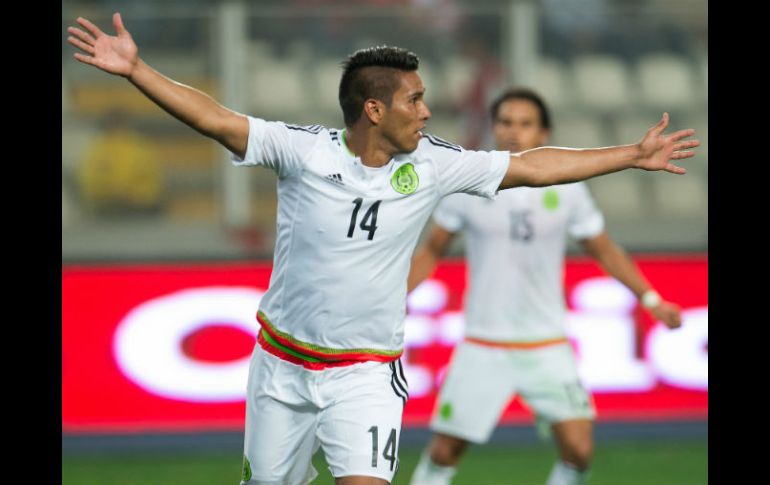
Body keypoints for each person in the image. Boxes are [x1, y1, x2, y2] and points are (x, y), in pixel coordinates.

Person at [67, 14, 698, 485]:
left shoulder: (436, 165)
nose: (427, 110)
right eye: (414, 99)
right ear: (374, 109)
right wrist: (138, 71)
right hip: (281, 367)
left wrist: (630, 156)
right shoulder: (304, 151)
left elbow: (532, 166)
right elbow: (216, 118)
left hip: (366, 373)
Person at [407, 88, 684, 485]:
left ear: (544, 133)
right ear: (492, 127)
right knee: (444, 451)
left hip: (546, 343)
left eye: (525, 123)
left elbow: (604, 249)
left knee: (579, 450)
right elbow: (432, 251)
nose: (513, 132)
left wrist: (650, 298)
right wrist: (394, 295)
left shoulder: (569, 188)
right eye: (505, 122)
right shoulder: (468, 184)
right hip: (484, 344)